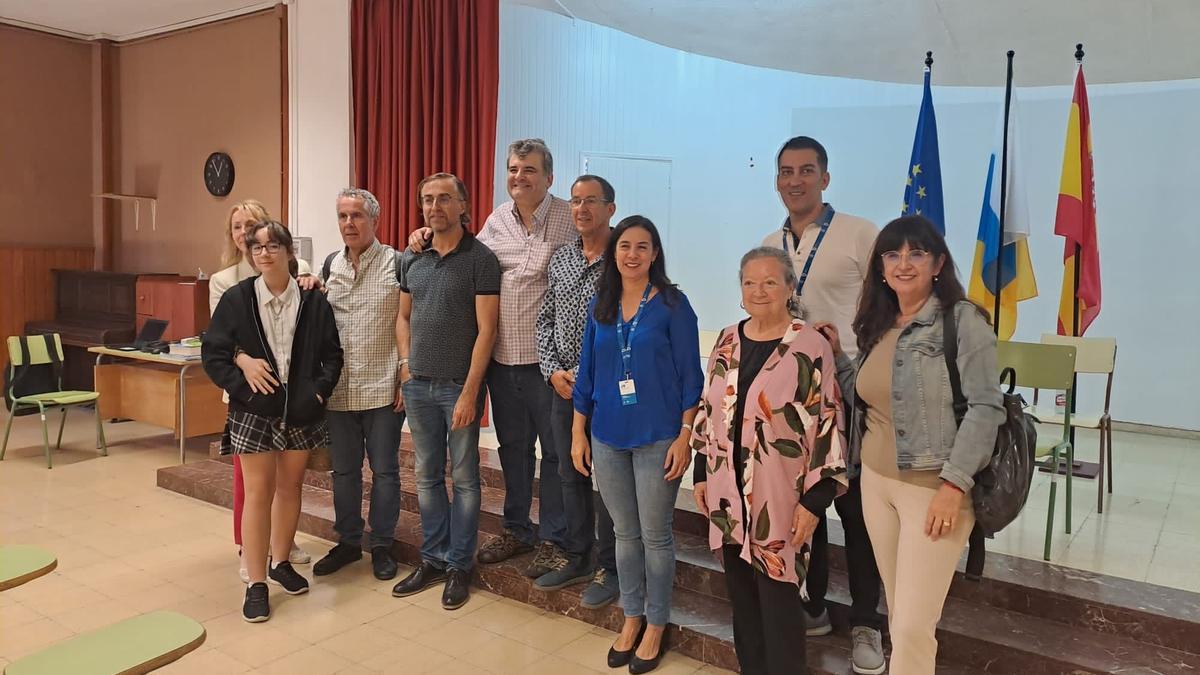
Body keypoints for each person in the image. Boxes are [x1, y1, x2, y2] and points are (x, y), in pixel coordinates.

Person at [410, 139, 573, 576]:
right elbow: (464, 254)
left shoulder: (566, 220)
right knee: (514, 451)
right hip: (503, 361)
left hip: (548, 365)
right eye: (514, 169)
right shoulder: (497, 219)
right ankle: (518, 529)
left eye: (530, 170)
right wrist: (423, 235)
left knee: (555, 455)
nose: (520, 177)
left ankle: (555, 538)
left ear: (549, 177)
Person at [848, 215, 1004, 674]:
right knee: (899, 613)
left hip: (933, 489)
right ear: (880, 267)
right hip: (876, 486)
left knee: (915, 623)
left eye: (917, 253)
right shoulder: (877, 321)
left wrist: (954, 487)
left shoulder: (962, 320)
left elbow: (986, 408)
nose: (904, 263)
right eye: (892, 254)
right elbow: (868, 391)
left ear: (937, 263)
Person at [692, 246, 848, 675]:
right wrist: (702, 474)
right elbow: (710, 412)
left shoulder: (811, 345)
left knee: (779, 606)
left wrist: (814, 503)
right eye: (749, 282)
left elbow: (828, 423)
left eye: (770, 282)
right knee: (743, 605)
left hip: (781, 499)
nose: (758, 291)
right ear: (740, 290)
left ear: (789, 288)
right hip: (727, 495)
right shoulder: (726, 339)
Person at [763, 135, 885, 673]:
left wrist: (845, 355)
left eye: (806, 170)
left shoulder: (861, 234)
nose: (796, 180)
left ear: (825, 178)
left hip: (853, 395)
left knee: (856, 515)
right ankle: (811, 607)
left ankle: (866, 624)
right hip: (795, 403)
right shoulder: (771, 243)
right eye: (786, 171)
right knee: (802, 507)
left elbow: (887, 314)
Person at [572, 216, 703, 674]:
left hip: (658, 437)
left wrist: (686, 435)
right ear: (614, 252)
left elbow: (692, 376)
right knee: (623, 536)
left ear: (654, 254)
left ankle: (657, 623)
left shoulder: (672, 304)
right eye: (625, 245)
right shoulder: (600, 304)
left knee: (655, 536)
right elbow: (585, 375)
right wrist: (578, 434)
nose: (632, 254)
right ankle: (632, 617)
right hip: (607, 437)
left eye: (642, 247)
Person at [202, 220, 343, 622]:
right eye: (257, 247)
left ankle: (282, 561)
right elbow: (213, 353)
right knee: (259, 493)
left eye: (272, 245)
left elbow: (332, 355)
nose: (265, 253)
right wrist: (243, 384)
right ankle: (257, 582)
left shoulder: (313, 299)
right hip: (254, 410)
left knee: (291, 486)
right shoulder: (237, 298)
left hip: (301, 411)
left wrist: (317, 391)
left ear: (287, 250)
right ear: (251, 254)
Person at [391, 173, 500, 610]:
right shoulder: (411, 259)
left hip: (459, 386)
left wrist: (472, 393)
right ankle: (433, 558)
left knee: (466, 479)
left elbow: (487, 330)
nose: (434, 207)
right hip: (417, 384)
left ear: (463, 205)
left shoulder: (481, 259)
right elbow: (402, 317)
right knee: (426, 477)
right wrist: (404, 367)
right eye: (427, 200)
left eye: (444, 199)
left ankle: (460, 565)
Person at [208, 199, 313, 582]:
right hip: (248, 395)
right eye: (238, 227)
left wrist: (315, 392)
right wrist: (242, 365)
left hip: (294, 398)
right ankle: (249, 552)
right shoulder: (227, 281)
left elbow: (319, 338)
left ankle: (282, 549)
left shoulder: (300, 275)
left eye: (251, 225)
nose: (245, 233)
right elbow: (219, 341)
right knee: (252, 485)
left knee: (288, 484)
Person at [532, 175, 620, 608]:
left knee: (608, 479)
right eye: (575, 201)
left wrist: (588, 375)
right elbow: (544, 319)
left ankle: (612, 566)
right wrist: (552, 371)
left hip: (606, 390)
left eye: (591, 201)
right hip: (563, 388)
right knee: (571, 472)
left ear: (610, 208)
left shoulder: (625, 259)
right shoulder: (562, 258)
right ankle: (578, 555)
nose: (582, 209)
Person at [311, 188, 404, 581]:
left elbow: (409, 320)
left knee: (385, 471)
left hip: (383, 386)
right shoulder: (329, 265)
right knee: (345, 472)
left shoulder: (398, 263)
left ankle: (381, 543)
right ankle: (348, 541)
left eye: (357, 216)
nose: (349, 224)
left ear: (375, 221)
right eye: (343, 217)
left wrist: (406, 372)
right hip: (340, 390)